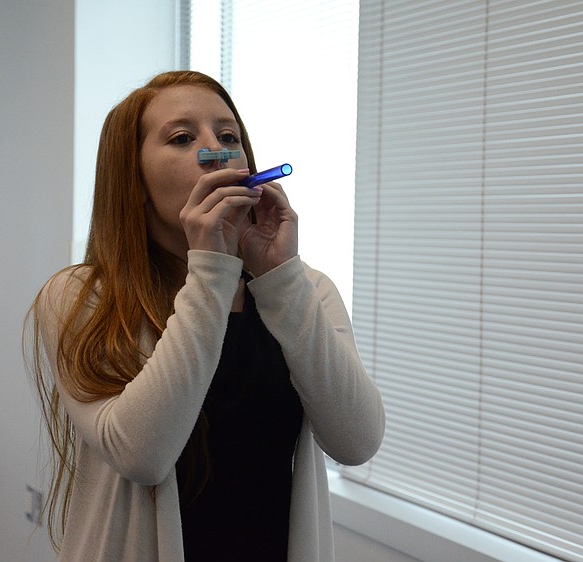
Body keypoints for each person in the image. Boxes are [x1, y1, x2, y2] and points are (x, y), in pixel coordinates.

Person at [26, 70, 385, 562]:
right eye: (182, 138)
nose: (215, 152)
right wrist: (213, 270)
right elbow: (142, 456)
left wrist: (281, 277)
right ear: (134, 181)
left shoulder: (306, 289)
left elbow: (357, 442)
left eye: (229, 137)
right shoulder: (79, 297)